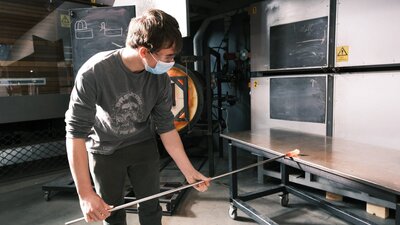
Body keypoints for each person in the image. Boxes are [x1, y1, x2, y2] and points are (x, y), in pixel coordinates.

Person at [65, 9, 210, 225]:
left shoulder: (160, 79)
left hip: (142, 145)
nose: (172, 62)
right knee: (111, 213)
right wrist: (85, 193)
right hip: (105, 150)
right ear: (144, 51)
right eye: (168, 56)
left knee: (151, 209)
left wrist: (189, 171)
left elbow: (166, 128)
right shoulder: (93, 73)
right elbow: (75, 133)